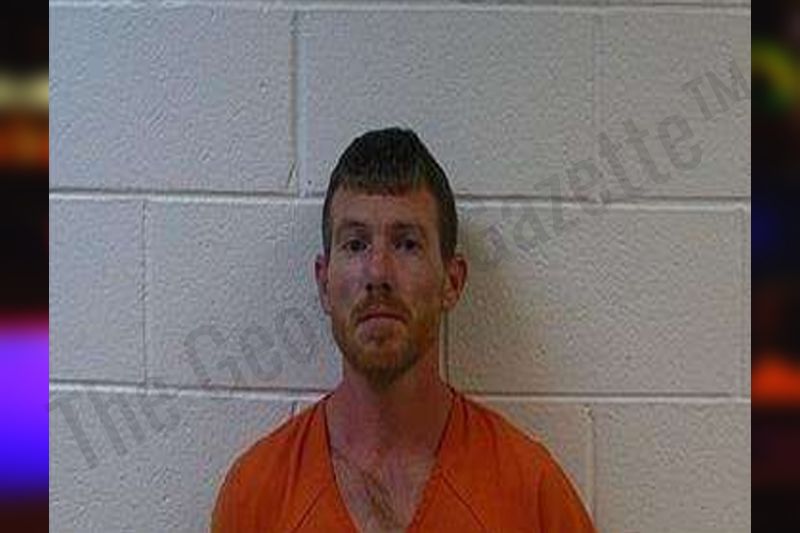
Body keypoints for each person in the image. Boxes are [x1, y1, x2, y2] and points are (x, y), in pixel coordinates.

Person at [212, 128, 597, 532]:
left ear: (452, 281)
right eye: (355, 244)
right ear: (324, 283)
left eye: (407, 244)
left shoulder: (531, 494)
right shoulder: (256, 496)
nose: (378, 272)